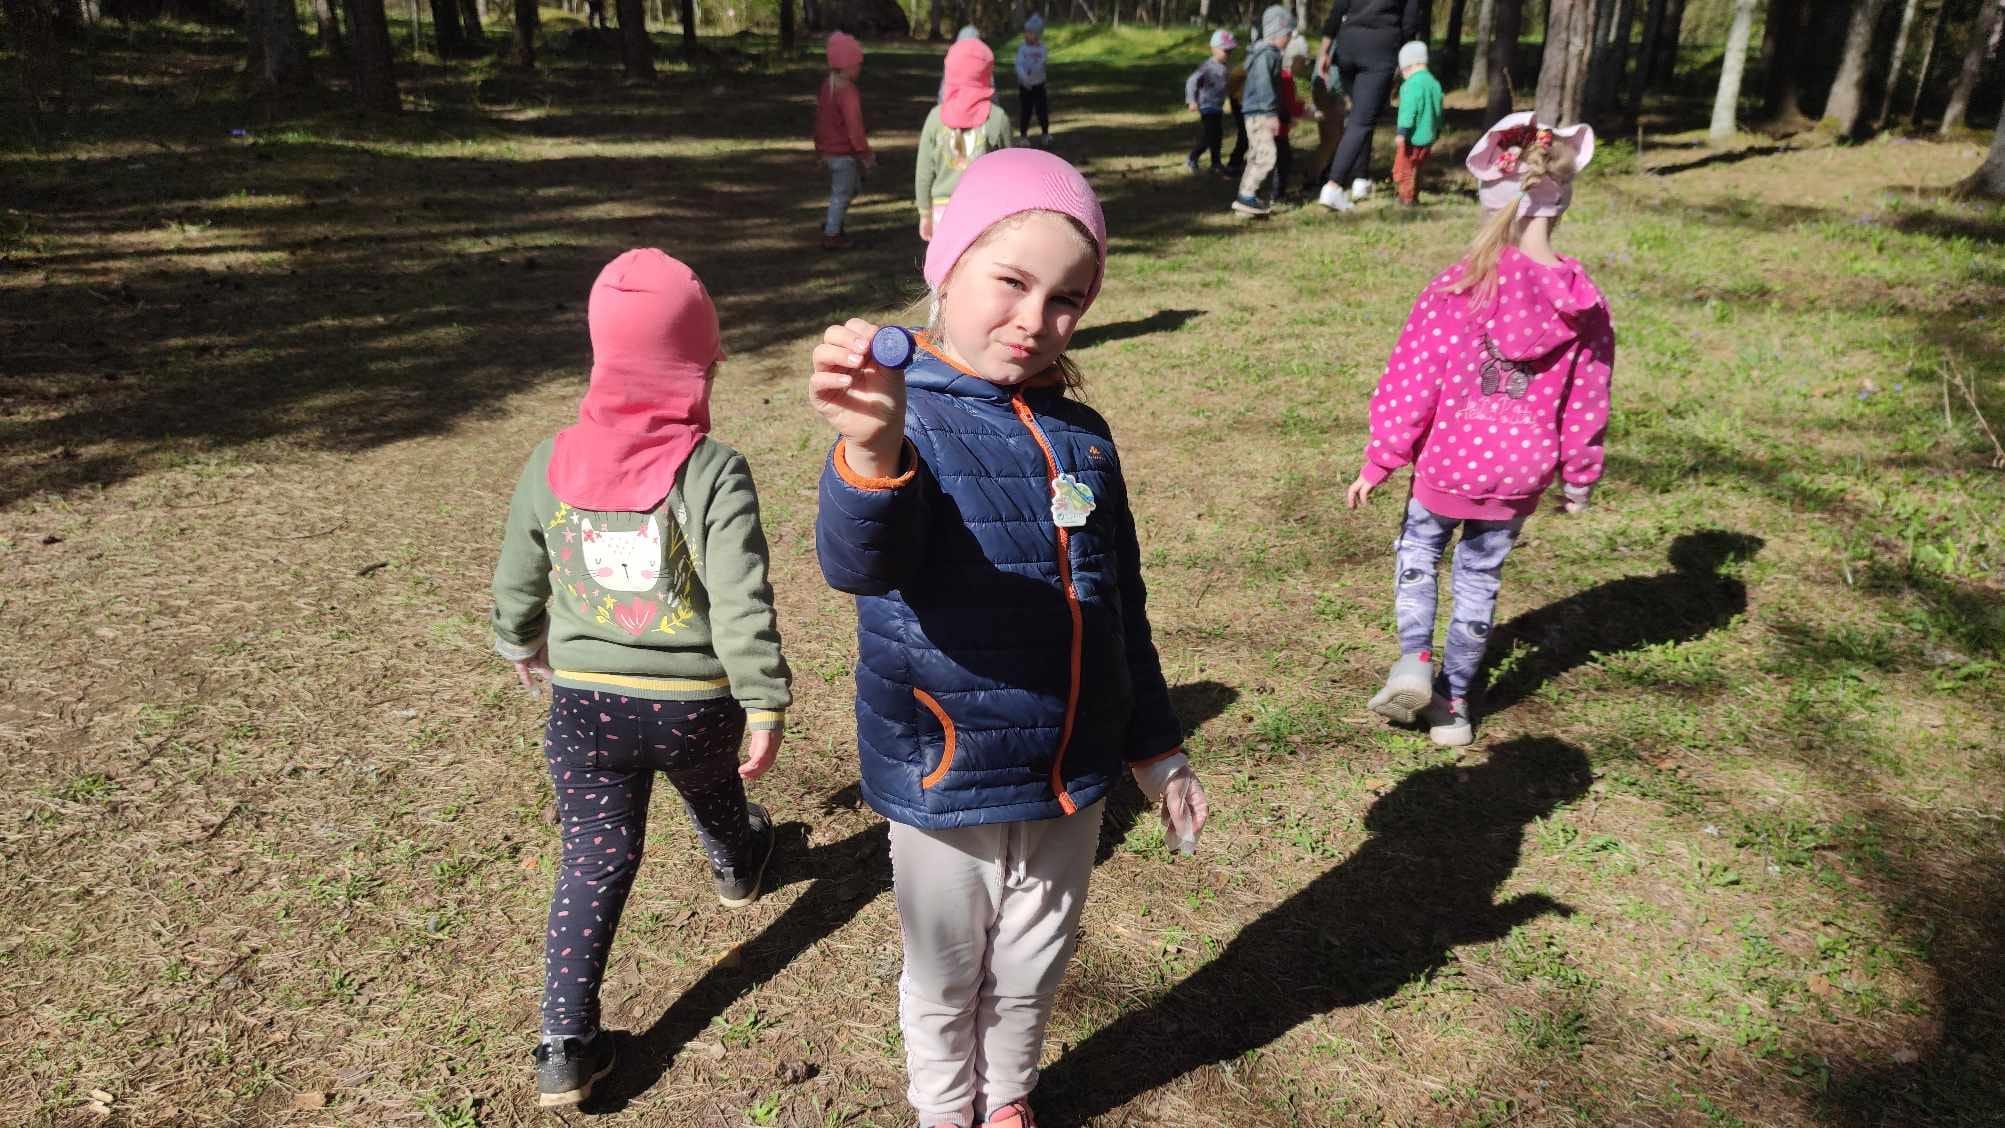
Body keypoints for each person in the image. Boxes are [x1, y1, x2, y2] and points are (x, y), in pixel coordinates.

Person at [807, 148, 1210, 1128]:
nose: (1036, 319)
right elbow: (858, 561)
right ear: (946, 268)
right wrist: (870, 448)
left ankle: (1008, 1098)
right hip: (948, 769)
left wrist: (1156, 748)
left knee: (1034, 963)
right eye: (1012, 282)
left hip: (1071, 771)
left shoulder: (1084, 439)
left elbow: (1119, 608)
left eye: (1067, 298)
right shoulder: (904, 417)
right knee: (946, 971)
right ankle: (946, 1109)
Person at [491, 249, 792, 1108]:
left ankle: (564, 1040)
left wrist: (519, 641)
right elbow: (739, 597)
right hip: (693, 705)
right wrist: (762, 698)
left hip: (586, 706)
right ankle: (735, 862)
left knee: (595, 853)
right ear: (699, 369)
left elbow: (519, 575)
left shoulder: (549, 460)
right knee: (711, 779)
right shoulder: (713, 469)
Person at [1345, 114, 1612, 747]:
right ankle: (1455, 705)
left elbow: (1413, 382)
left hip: (1448, 461)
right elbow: (1588, 400)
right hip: (1520, 473)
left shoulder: (1458, 287)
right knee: (1479, 579)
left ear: (1492, 198)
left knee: (1420, 552)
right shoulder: (1585, 304)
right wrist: (1579, 478)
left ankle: (1414, 658)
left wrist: (1382, 459)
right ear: (1561, 201)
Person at [1314, 0, 1422, 211]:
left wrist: (1324, 50)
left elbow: (1338, 9)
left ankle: (1360, 179)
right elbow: (1409, 23)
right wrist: (1403, 58)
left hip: (1347, 47)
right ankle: (1333, 186)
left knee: (1362, 114)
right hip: (1380, 49)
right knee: (1362, 121)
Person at [918, 38, 1014, 242]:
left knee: (946, 261)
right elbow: (1010, 171)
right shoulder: (997, 118)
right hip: (985, 209)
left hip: (943, 212)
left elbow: (924, 171)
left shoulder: (934, 118)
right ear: (987, 74)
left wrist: (925, 212)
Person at [1232, 6, 1295, 216]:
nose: (1289, 39)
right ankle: (1246, 195)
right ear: (1278, 32)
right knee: (1267, 156)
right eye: (1288, 34)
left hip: (1257, 111)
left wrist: (1282, 112)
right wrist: (1270, 113)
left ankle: (1245, 199)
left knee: (1257, 155)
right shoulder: (1267, 54)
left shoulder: (1267, 54)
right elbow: (1264, 84)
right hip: (1259, 112)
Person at [814, 32, 875, 251]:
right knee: (842, 193)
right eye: (858, 65)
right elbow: (854, 127)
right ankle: (832, 233)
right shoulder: (847, 92)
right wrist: (865, 153)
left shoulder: (827, 87)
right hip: (843, 155)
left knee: (849, 189)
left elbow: (819, 122)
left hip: (830, 153)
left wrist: (819, 149)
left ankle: (834, 220)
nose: (860, 69)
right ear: (848, 65)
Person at [1392, 40, 1442, 205]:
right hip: (1428, 136)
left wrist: (1402, 132)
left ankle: (1406, 198)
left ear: (1409, 66)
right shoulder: (1434, 84)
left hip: (1411, 138)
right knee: (1418, 168)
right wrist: (1437, 130)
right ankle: (1414, 194)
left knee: (1404, 168)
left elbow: (1408, 110)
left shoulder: (1410, 85)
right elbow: (1438, 110)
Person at [1185, 29, 1235, 175]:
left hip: (1217, 107)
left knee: (1217, 136)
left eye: (1230, 51)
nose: (1228, 54)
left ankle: (1216, 163)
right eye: (1225, 51)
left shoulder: (1226, 67)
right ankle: (1193, 157)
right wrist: (1191, 100)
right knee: (1209, 136)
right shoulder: (1207, 66)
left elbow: (1227, 86)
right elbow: (1191, 81)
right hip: (1207, 106)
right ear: (1214, 49)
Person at [1015, 14, 1051, 146]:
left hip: (1039, 85)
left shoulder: (1042, 49)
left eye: (1030, 32)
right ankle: (1023, 136)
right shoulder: (1022, 49)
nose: (1027, 35)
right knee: (1026, 111)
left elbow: (1041, 64)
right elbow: (1018, 64)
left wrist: (1033, 73)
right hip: (1025, 86)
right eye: (1026, 32)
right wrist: (1024, 78)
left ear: (1037, 34)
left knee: (1042, 110)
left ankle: (1045, 134)